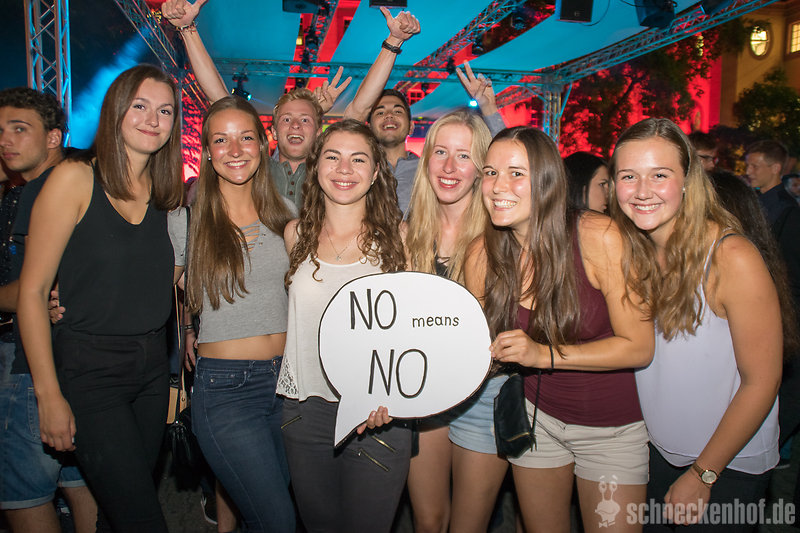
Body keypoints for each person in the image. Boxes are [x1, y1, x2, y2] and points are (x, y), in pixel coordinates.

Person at [17, 65, 185, 533]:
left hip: (152, 369)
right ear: (116, 110)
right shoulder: (75, 178)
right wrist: (48, 395)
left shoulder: (165, 195)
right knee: (142, 519)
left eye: (165, 111)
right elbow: (32, 292)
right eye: (140, 106)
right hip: (90, 371)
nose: (153, 119)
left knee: (118, 513)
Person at [465, 126, 654, 533]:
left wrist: (542, 355)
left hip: (611, 430)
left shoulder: (598, 236)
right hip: (538, 421)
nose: (498, 186)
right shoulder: (482, 254)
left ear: (548, 181)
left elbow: (639, 347)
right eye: (490, 172)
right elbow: (473, 349)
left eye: (517, 173)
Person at [610, 118, 782, 531]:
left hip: (725, 466)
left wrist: (704, 473)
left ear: (688, 180)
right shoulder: (635, 251)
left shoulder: (730, 256)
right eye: (629, 176)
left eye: (659, 175)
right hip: (659, 455)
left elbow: (762, 381)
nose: (643, 190)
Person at [278, 119, 411, 532]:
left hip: (379, 415)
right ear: (316, 166)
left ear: (375, 171)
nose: (344, 169)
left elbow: (413, 333)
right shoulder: (295, 234)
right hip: (304, 410)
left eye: (358, 159)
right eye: (333, 157)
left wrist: (391, 396)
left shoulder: (400, 237)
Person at [182, 96, 296, 533]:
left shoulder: (287, 216)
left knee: (268, 513)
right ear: (207, 152)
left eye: (246, 137)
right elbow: (144, 286)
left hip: (288, 385)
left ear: (263, 145)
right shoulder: (187, 220)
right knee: (276, 521)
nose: (234, 150)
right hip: (226, 391)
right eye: (221, 140)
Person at [0, 88, 97, 533]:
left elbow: (31, 289)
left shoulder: (47, 189)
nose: (6, 140)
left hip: (30, 363)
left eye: (20, 129)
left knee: (23, 495)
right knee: (81, 482)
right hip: (76, 359)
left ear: (54, 137)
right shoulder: (42, 187)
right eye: (1, 131)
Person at [162, 0, 353, 211]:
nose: (295, 125)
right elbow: (219, 99)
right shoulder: (255, 169)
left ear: (318, 132)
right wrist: (187, 30)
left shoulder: (330, 174)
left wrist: (314, 112)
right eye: (287, 119)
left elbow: (359, 113)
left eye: (304, 120)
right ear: (274, 131)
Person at [402, 109, 493, 533]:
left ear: (481, 169)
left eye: (464, 155)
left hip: (486, 394)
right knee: (428, 519)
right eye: (440, 152)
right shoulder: (408, 234)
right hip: (426, 391)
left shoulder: (499, 236)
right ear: (426, 160)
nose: (449, 167)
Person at [345, 60, 504, 215]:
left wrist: (488, 107)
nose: (389, 115)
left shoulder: (431, 169)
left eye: (398, 111)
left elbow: (502, 162)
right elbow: (349, 125)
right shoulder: (357, 169)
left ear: (411, 126)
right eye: (380, 112)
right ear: (369, 128)